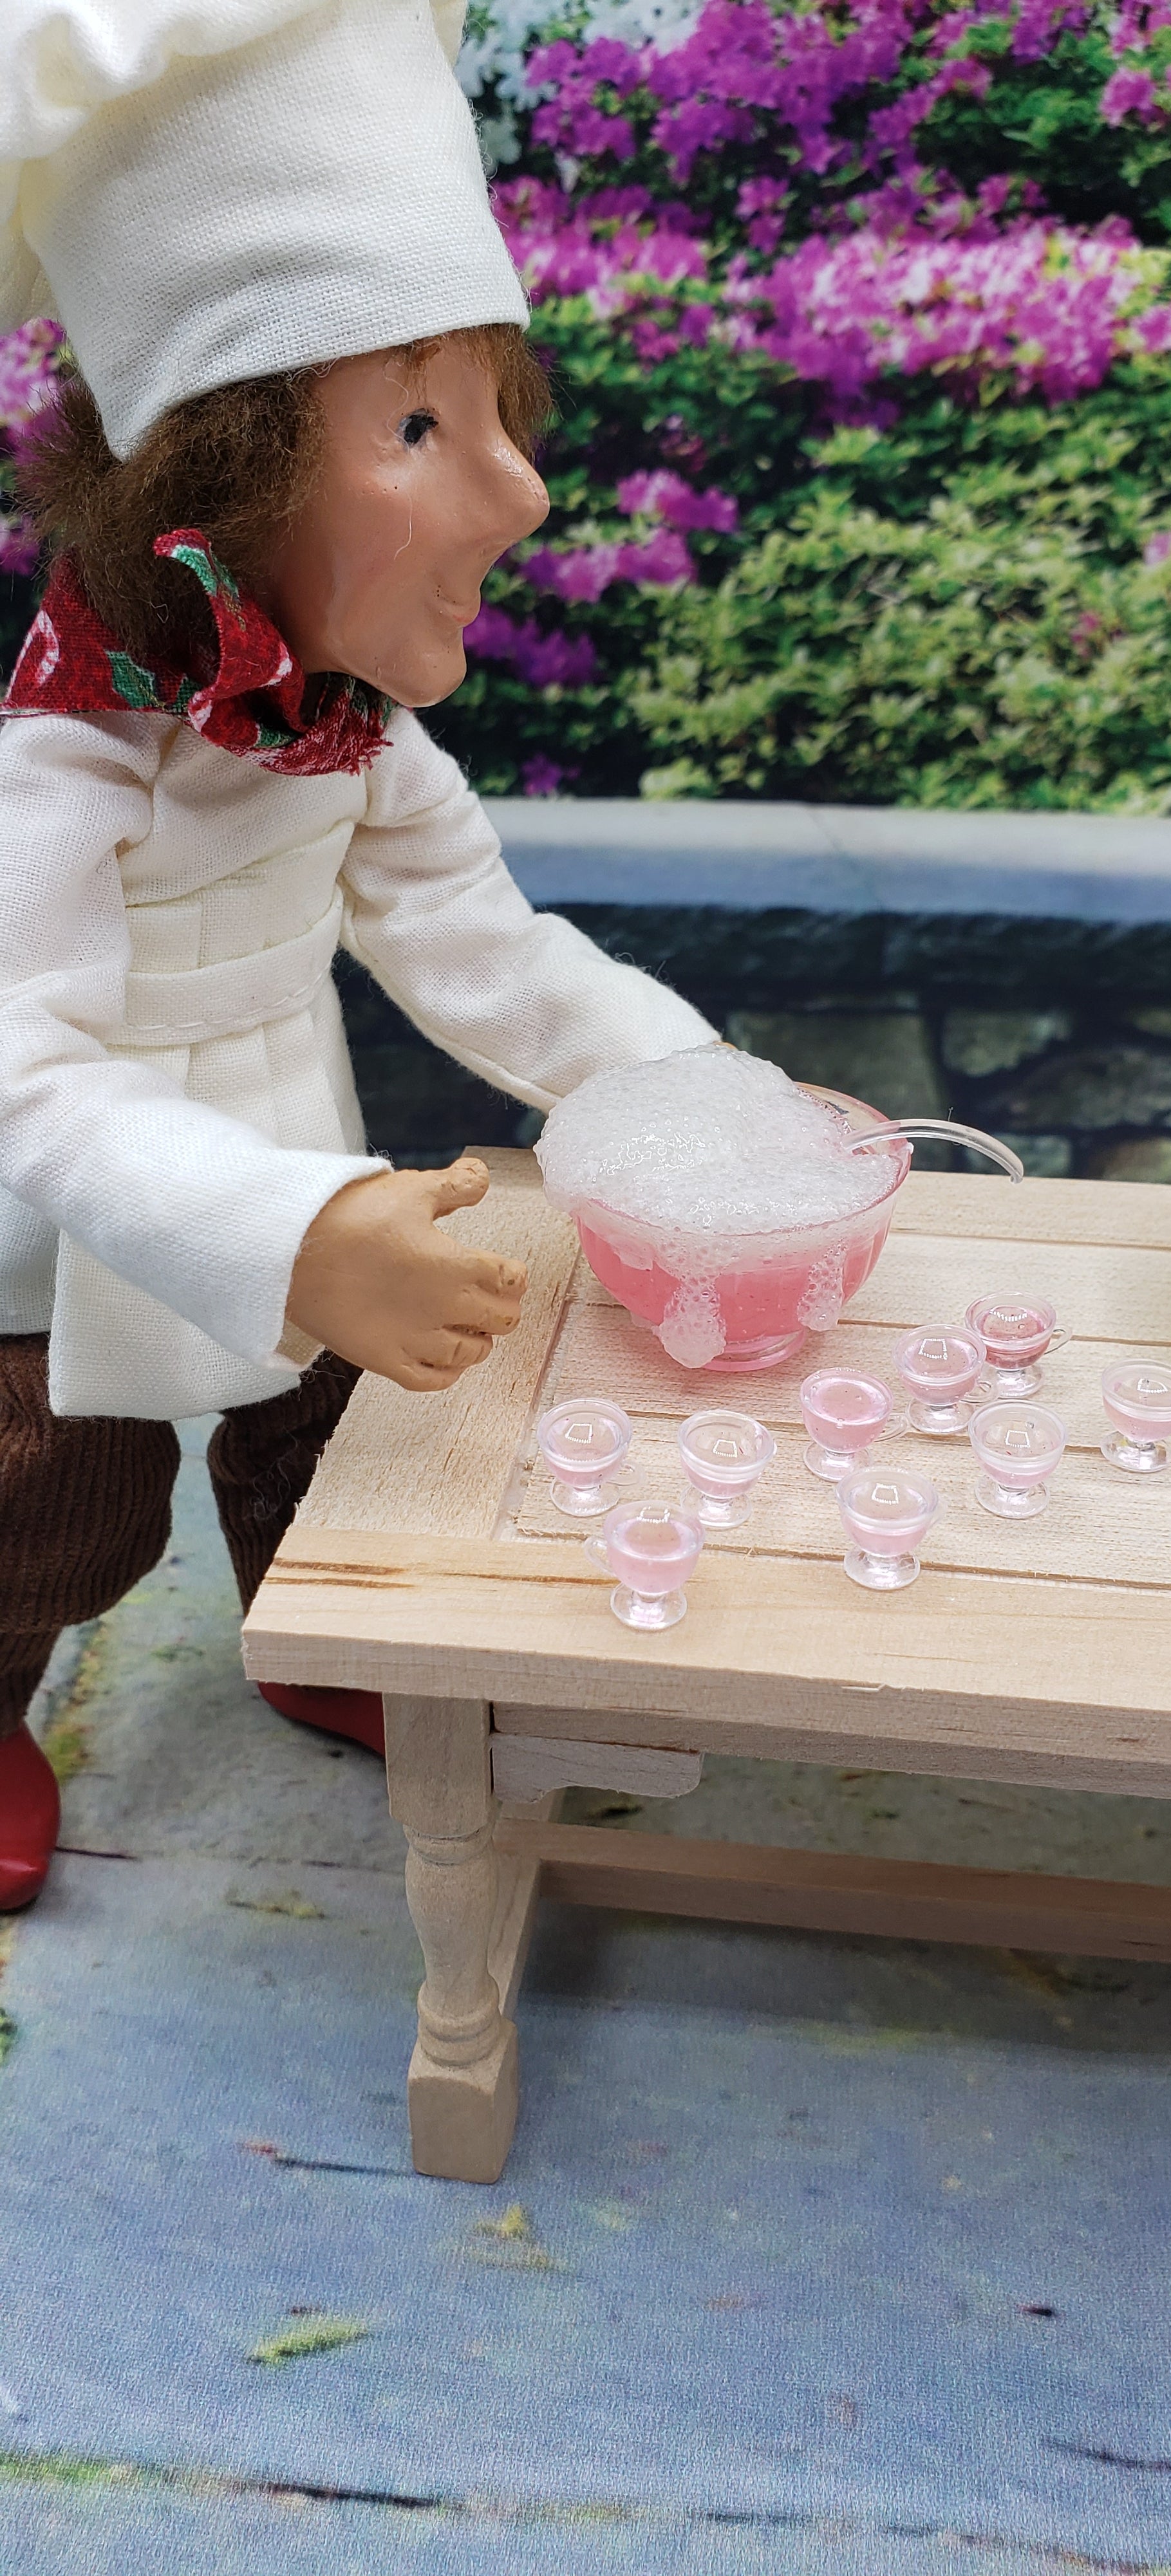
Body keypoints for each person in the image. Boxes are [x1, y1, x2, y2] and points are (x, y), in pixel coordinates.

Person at [0, 0, 717, 1909]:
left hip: (297, 1149)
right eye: (417, 425)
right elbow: (32, 1081)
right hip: (61, 1225)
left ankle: (315, 1619)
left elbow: (490, 952)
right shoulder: (62, 768)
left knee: (323, 1429)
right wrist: (287, 1231)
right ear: (214, 486)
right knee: (47, 1501)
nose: (518, 491)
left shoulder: (351, 736)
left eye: (494, 414)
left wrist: (701, 1100)